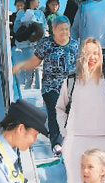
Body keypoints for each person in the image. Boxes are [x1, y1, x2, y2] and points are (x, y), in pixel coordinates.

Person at [56, 37, 105, 183]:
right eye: (88, 53)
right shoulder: (71, 81)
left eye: (96, 53)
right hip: (76, 142)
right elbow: (60, 108)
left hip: (104, 142)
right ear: (81, 56)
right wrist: (65, 132)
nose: (92, 57)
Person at [13, 15, 79, 154]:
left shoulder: (74, 45)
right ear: (53, 30)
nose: (65, 32)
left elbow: (80, 66)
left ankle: (71, 140)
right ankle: (56, 143)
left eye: (67, 29)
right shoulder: (46, 43)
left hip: (70, 86)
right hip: (51, 85)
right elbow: (34, 62)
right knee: (55, 110)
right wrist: (21, 66)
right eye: (61, 29)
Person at [70, 0, 105, 77]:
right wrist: (73, 46)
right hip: (88, 51)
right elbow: (75, 29)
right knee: (88, 81)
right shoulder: (84, 6)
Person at [14, 0, 48, 89]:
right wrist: (24, 23)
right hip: (26, 43)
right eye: (37, 0)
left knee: (39, 65)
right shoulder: (21, 12)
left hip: (38, 42)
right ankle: (27, 85)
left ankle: (39, 86)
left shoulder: (40, 13)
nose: (39, 3)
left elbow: (44, 27)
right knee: (30, 64)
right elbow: (16, 28)